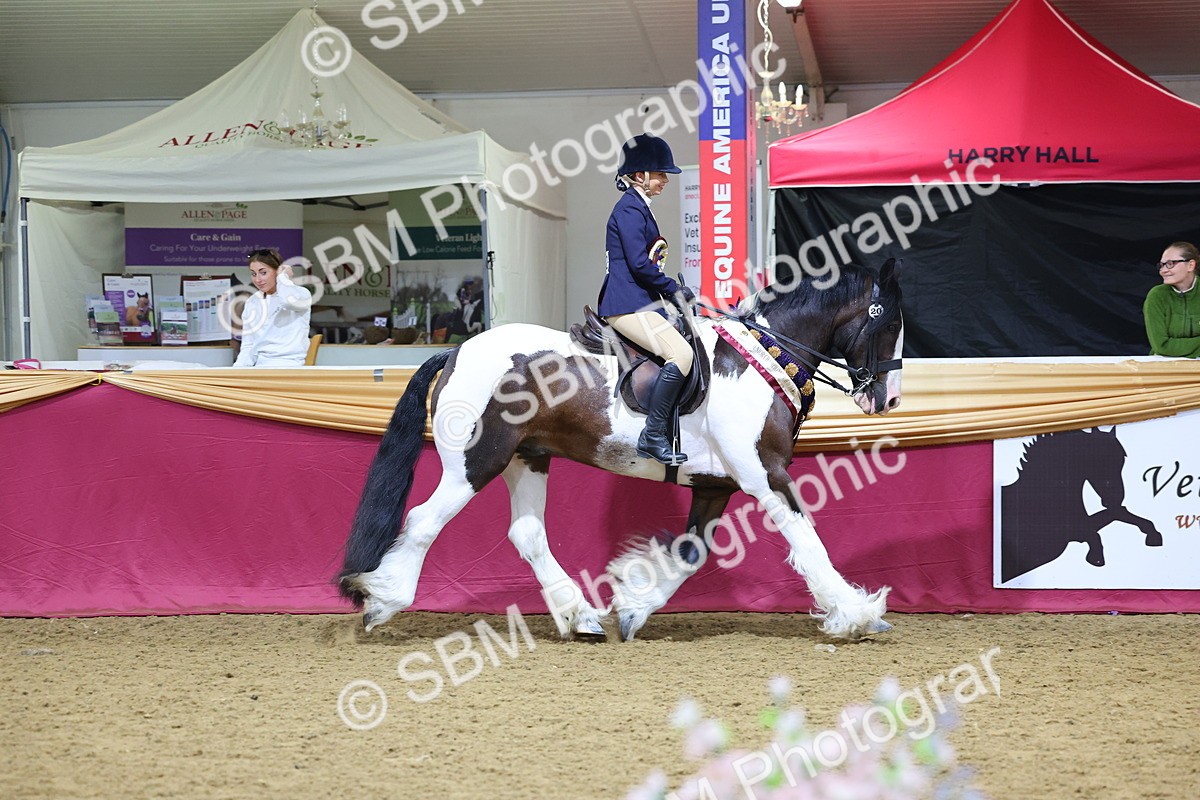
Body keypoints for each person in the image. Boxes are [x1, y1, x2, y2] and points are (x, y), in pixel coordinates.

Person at [598, 134, 695, 465]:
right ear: (640, 175)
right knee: (680, 354)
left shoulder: (639, 207)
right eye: (660, 174)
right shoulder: (629, 209)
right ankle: (652, 436)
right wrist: (672, 288)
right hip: (625, 304)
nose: (665, 181)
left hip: (640, 300)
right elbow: (640, 265)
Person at [233, 248, 313, 367]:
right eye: (253, 274)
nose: (258, 280)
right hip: (259, 367)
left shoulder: (301, 294)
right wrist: (237, 371)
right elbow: (248, 345)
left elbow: (287, 302)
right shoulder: (252, 302)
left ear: (277, 271)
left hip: (291, 366)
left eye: (263, 272)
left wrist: (283, 277)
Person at [1143, 241, 1200, 358]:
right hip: (1165, 368)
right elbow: (1161, 346)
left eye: (1170, 264)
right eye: (1162, 265)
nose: (1163, 270)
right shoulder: (1156, 296)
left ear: (1190, 265)